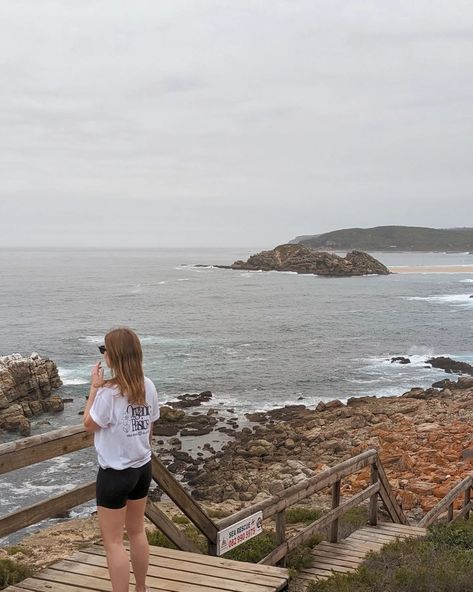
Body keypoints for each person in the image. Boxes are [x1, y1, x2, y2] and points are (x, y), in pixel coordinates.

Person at [83, 327, 160, 592]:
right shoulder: (147, 385)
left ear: (113, 357)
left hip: (115, 473)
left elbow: (89, 424)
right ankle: (141, 588)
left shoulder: (108, 393)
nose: (103, 355)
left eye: (104, 350)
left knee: (114, 542)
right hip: (142, 467)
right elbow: (149, 428)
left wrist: (94, 387)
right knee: (137, 531)